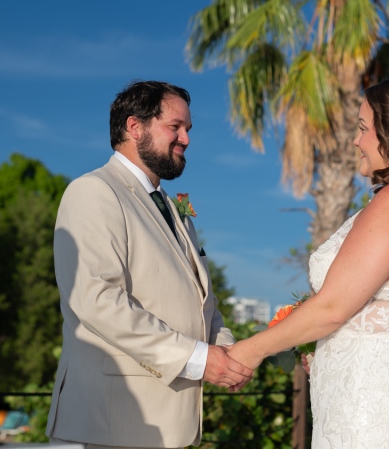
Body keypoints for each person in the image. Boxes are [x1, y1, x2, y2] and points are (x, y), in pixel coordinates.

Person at [228, 78, 389, 448]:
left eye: (363, 129)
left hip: (382, 411)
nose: (356, 141)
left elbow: (332, 307)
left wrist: (248, 351)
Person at [46, 80, 253, 449]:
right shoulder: (94, 191)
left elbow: (203, 302)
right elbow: (97, 300)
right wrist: (198, 359)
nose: (186, 138)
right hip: (111, 423)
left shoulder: (176, 211)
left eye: (188, 129)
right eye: (175, 127)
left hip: (170, 426)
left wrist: (230, 354)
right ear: (134, 127)